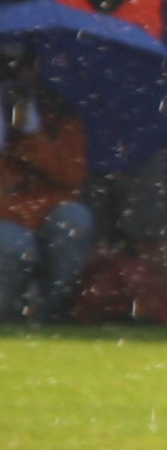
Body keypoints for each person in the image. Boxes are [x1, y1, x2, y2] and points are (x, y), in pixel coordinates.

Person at [0, 47, 94, 323]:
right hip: (6, 214)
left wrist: (29, 135)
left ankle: (47, 315)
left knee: (75, 221)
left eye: (22, 66)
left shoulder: (58, 113)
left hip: (44, 208)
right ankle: (7, 316)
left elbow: (70, 175)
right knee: (13, 246)